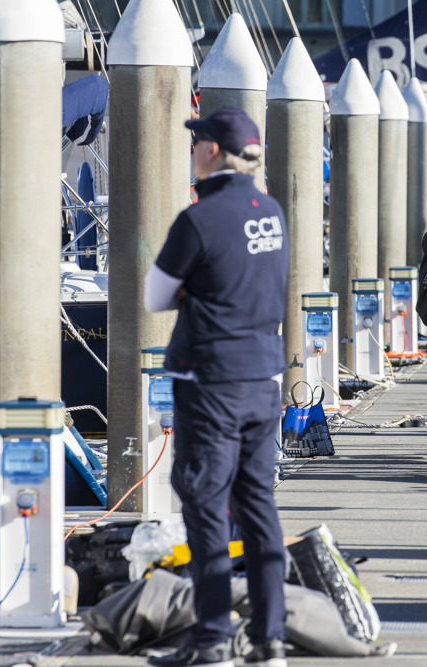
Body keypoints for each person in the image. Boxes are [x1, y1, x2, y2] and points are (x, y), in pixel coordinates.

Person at [144, 106, 289, 667]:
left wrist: (192, 290)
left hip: (210, 383)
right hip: (263, 379)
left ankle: (211, 638)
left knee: (205, 506)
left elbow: (156, 295)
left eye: (195, 143)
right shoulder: (271, 212)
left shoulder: (198, 219)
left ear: (210, 151)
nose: (191, 153)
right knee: (257, 504)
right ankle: (269, 637)